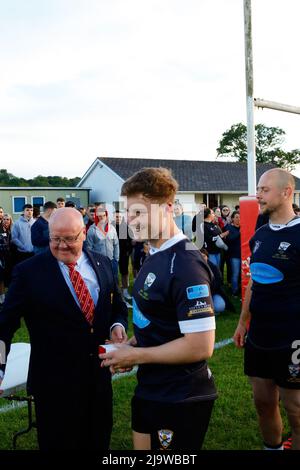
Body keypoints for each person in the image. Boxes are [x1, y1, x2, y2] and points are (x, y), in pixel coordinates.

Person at [100, 167, 217, 451]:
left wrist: (137, 354)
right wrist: (129, 346)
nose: (131, 220)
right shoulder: (153, 253)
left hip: (181, 394)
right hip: (152, 387)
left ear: (167, 208)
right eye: (129, 212)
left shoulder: (187, 263)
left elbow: (201, 346)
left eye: (139, 212)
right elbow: (158, 320)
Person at [0, 208, 128, 450]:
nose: (61, 246)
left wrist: (117, 325)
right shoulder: (28, 272)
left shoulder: (102, 264)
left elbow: (118, 307)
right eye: (55, 239)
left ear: (83, 233)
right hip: (54, 385)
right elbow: (4, 324)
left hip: (98, 379)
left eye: (69, 239)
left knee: (98, 440)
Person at [233, 168, 300, 450]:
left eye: (264, 189)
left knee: (296, 409)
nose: (258, 195)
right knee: (263, 402)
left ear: (286, 192)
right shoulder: (260, 234)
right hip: (259, 335)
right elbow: (254, 282)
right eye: (258, 189)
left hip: (292, 337)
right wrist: (241, 322)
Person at [86, 205, 119, 283]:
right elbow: (89, 248)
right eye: (100, 216)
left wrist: (116, 259)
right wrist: (94, 261)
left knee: (114, 281)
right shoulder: (92, 230)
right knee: (102, 282)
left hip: (112, 261)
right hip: (99, 262)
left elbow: (116, 244)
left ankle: (116, 295)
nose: (102, 218)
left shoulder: (112, 228)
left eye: (104, 215)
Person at [112, 210, 133, 303]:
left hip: (124, 254)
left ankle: (125, 291)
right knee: (114, 274)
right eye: (116, 217)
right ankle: (115, 292)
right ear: (113, 217)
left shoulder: (125, 227)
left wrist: (128, 252)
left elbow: (130, 241)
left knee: (124, 273)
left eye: (120, 217)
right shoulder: (110, 227)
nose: (118, 218)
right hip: (113, 255)